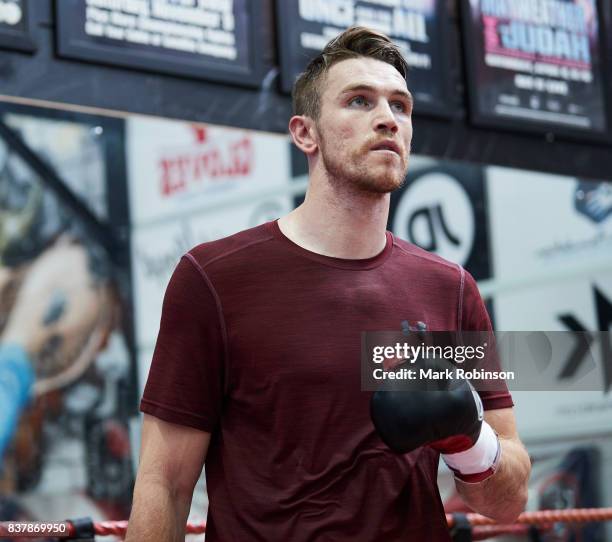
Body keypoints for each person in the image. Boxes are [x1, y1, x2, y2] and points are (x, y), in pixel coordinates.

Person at [127, 26, 531, 541]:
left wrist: (469, 442)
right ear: (305, 133)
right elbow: (164, 483)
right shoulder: (214, 279)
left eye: (400, 106)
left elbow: (508, 503)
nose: (387, 117)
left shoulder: (448, 288)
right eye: (359, 101)